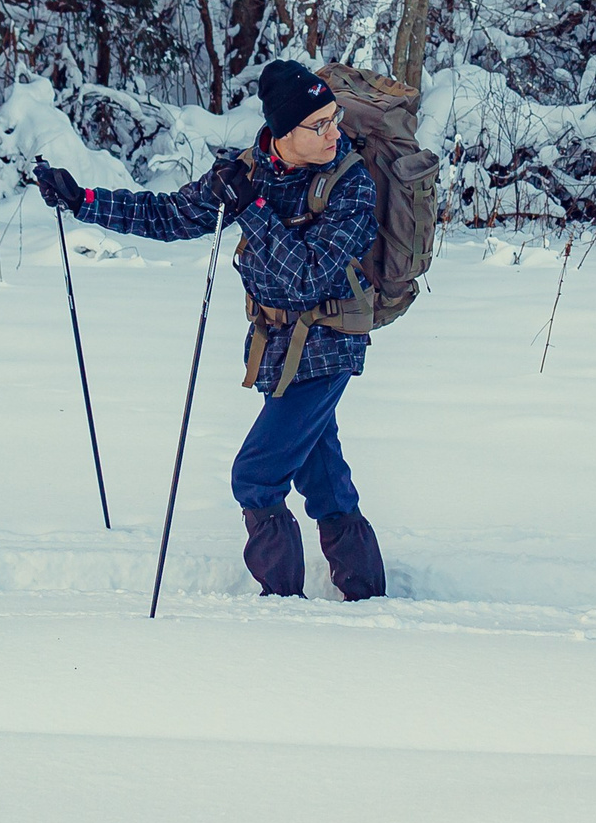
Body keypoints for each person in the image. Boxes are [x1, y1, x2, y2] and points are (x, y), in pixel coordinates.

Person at [33, 59, 388, 601]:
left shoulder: (351, 183)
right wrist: (83, 201)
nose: (333, 133)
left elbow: (310, 277)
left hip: (330, 343)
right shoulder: (249, 171)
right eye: (319, 124)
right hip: (277, 347)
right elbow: (169, 216)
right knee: (321, 475)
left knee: (256, 476)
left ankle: (283, 606)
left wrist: (254, 209)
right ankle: (365, 595)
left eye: (334, 118)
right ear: (283, 131)